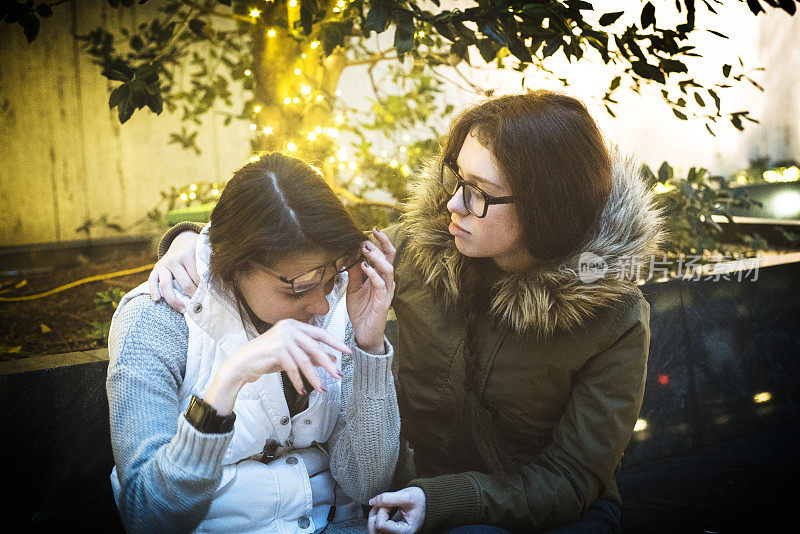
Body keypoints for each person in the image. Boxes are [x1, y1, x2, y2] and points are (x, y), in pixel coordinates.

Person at [151, 90, 664, 533]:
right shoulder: (424, 250)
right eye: (457, 178)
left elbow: (573, 477)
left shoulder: (612, 317)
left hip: (552, 512)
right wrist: (195, 245)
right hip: (414, 500)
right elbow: (303, 246)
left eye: (480, 193)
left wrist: (441, 500)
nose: (454, 206)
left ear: (547, 207)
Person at [107, 152, 400, 534]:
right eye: (300, 288)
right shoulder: (156, 319)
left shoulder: (341, 301)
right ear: (236, 264)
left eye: (329, 278)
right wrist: (230, 378)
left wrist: (369, 346)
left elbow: (367, 484)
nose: (321, 304)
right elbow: (147, 516)